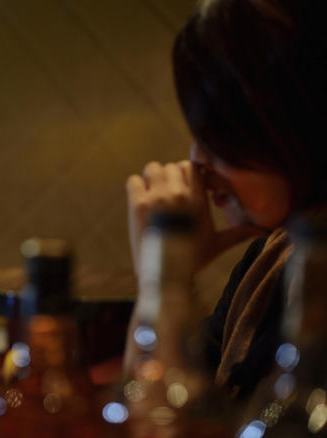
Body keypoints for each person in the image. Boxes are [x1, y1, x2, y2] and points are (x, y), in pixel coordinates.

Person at [125, 0, 327, 399]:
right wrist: (168, 279)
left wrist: (160, 284)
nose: (197, 158)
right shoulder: (269, 256)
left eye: (220, 135)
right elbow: (161, 403)